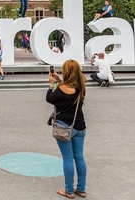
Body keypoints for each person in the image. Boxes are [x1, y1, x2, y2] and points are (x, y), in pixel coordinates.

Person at [47, 60, 87, 199]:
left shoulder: (61, 89)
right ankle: (81, 189)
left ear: (66, 72)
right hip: (80, 126)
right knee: (79, 158)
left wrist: (52, 84)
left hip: (64, 126)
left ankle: (69, 190)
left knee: (68, 159)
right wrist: (59, 80)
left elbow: (50, 98)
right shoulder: (81, 86)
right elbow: (75, 82)